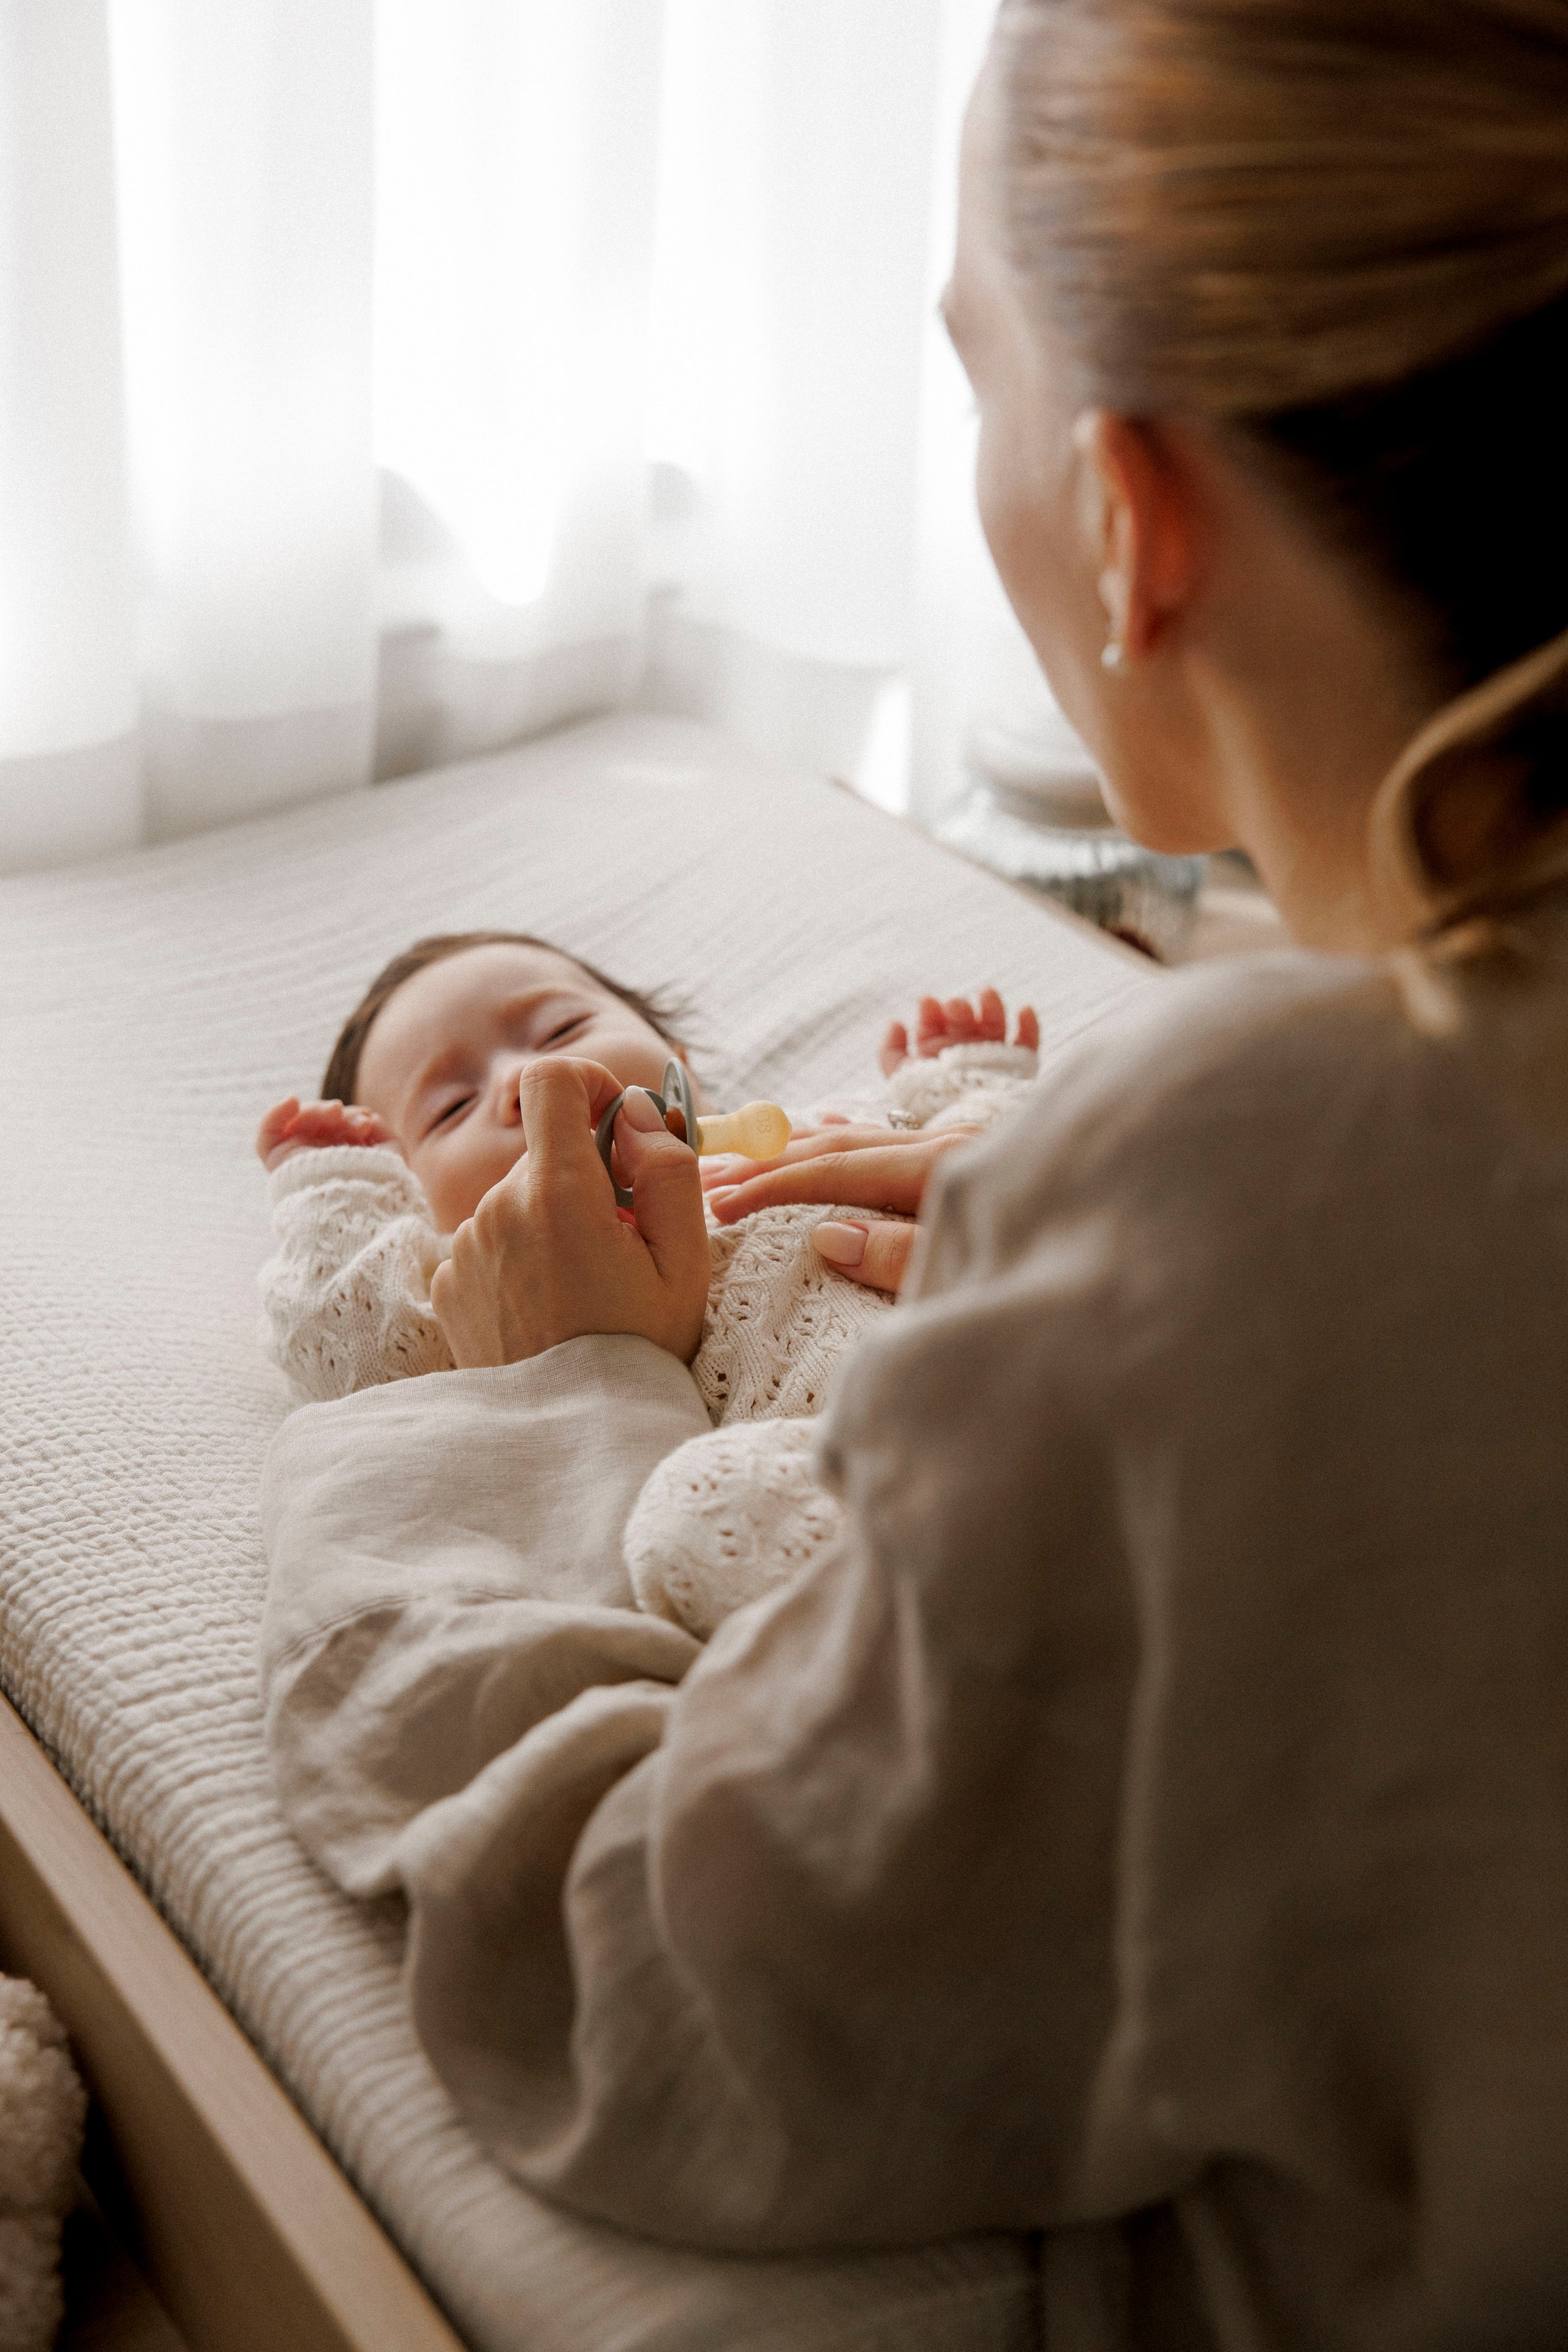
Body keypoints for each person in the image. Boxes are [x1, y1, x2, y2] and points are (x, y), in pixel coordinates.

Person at [261, 1, 1568, 2342]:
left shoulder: (1240, 1167)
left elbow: (672, 2002)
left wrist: (518, 1407)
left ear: (1127, 517)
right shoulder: (1227, 1175)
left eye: (974, 369)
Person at [254, 930, 1038, 1631]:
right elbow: (348, 1345)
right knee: (698, 1516)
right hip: (853, 1473)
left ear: (681, 1066)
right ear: (426, 1211)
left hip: (1027, 1357)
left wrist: (959, 1085)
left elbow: (1018, 1164)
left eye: (562, 1030)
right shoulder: (487, 1294)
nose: (532, 1077)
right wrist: (338, 1192)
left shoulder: (825, 1126)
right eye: (451, 1108)